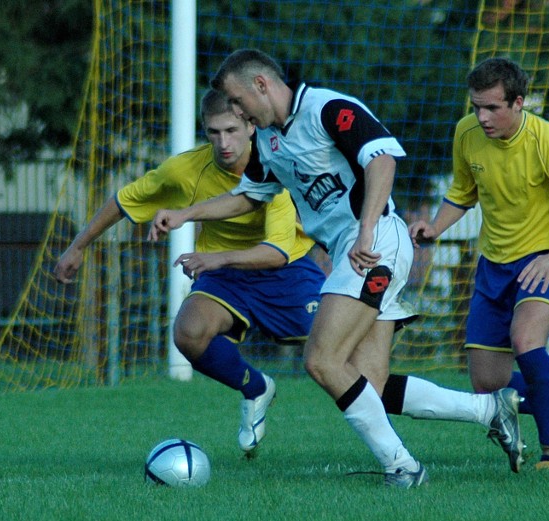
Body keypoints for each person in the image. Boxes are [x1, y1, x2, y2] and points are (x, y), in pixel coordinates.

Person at [148, 49, 524, 488]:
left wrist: (365, 230)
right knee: (369, 384)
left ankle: (403, 468)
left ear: (260, 86)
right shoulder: (268, 141)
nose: (236, 111)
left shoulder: (327, 109)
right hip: (359, 249)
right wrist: (184, 215)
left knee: (324, 360)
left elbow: (382, 160)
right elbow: (251, 196)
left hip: (375, 244)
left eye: (236, 100)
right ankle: (490, 410)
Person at [53, 88, 326, 457]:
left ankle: (404, 417)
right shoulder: (185, 170)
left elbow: (275, 254)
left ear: (250, 126)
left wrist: (217, 258)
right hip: (224, 272)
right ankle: (256, 387)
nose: (223, 142)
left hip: (286, 269)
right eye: (213, 132)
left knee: (335, 354)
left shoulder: (273, 164)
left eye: (231, 130)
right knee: (188, 332)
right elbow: (123, 200)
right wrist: (78, 246)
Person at [409, 57, 549, 473]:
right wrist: (435, 226)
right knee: (487, 383)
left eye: (492, 107)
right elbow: (462, 190)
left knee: (526, 341)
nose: (482, 117)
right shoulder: (466, 133)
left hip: (545, 261)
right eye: (476, 107)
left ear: (519, 102)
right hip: (493, 264)